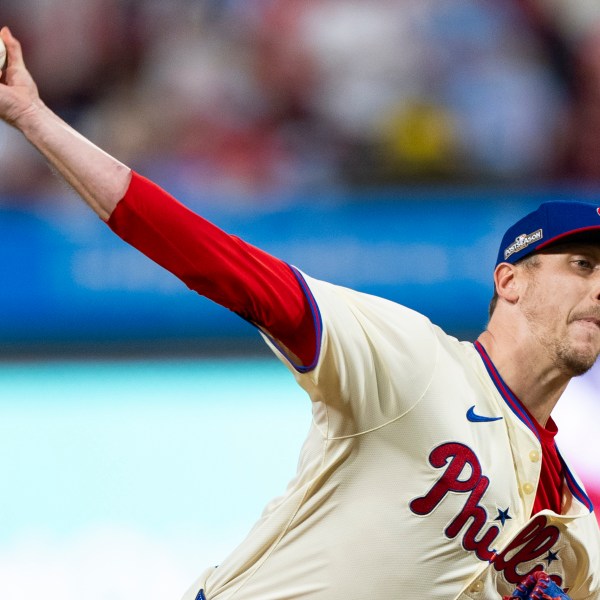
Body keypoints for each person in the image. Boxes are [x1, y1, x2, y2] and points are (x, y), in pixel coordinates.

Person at [0, 25, 599, 600]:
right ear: (510, 281)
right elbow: (221, 264)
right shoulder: (415, 364)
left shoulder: (574, 530)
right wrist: (33, 117)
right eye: (581, 266)